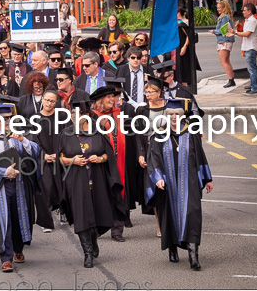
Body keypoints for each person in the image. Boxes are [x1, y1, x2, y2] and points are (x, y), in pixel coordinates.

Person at [146, 99, 213, 270]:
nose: (174, 117)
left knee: (192, 214)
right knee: (168, 215)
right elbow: (153, 159)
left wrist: (207, 178)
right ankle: (172, 248)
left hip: (189, 182)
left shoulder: (191, 133)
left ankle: (193, 254)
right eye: (170, 114)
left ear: (182, 116)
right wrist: (158, 178)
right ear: (166, 116)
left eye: (177, 114)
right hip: (168, 184)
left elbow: (200, 156)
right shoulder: (159, 135)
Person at [58, 99, 125, 268]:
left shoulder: (99, 131)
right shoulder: (66, 133)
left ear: (87, 115)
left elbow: (109, 155)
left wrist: (100, 158)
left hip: (98, 179)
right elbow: (60, 158)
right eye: (73, 115)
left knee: (98, 214)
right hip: (76, 181)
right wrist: (72, 160)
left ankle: (93, 239)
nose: (75, 118)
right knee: (81, 216)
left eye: (78, 114)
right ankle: (87, 252)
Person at [0, 103, 41, 273]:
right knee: (3, 221)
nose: (7, 121)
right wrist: (4, 172)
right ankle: (5, 258)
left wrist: (24, 140)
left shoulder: (19, 135)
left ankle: (18, 249)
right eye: (3, 118)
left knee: (19, 216)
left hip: (20, 184)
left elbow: (35, 152)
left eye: (9, 118)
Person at [90, 86, 132, 242]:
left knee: (117, 192)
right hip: (102, 161)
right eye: (108, 97)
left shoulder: (117, 114)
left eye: (113, 97)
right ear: (100, 100)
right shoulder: (93, 117)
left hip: (119, 160)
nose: (112, 100)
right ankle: (99, 227)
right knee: (101, 194)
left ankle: (117, 230)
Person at [135, 76, 168, 236]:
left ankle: (171, 220)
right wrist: (141, 154)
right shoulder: (142, 110)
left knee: (169, 187)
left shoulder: (169, 108)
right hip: (150, 153)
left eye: (151, 92)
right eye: (146, 92)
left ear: (159, 92)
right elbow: (139, 134)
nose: (148, 95)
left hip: (167, 151)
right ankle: (159, 224)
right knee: (155, 188)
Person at [230, 3, 257, 95]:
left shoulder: (252, 21)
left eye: (244, 10)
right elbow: (244, 32)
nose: (242, 12)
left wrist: (235, 33)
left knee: (252, 69)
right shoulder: (247, 20)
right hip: (248, 47)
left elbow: (247, 34)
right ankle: (253, 86)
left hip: (251, 47)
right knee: (251, 68)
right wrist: (237, 31)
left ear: (250, 11)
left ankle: (254, 88)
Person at [209, 0, 236, 87]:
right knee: (226, 61)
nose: (218, 9)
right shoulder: (225, 16)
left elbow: (224, 30)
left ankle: (231, 80)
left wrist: (214, 31)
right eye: (217, 8)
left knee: (223, 61)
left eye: (219, 8)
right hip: (226, 40)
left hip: (224, 40)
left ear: (224, 8)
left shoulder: (224, 17)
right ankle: (231, 80)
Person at [175, 9, 201, 86]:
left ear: (179, 13)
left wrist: (184, 47)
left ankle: (186, 86)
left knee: (184, 67)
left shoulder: (184, 23)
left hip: (184, 48)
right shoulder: (178, 22)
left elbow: (189, 36)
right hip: (178, 47)